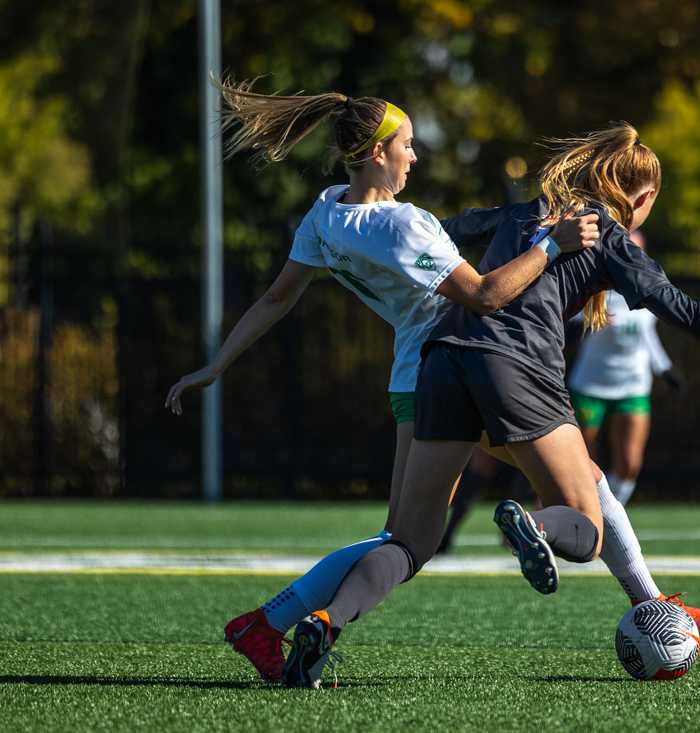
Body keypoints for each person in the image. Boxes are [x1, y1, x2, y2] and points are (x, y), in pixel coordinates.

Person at [284, 123, 700, 688]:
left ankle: (324, 624)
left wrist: (344, 240)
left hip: (444, 361)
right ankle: (535, 526)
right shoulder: (610, 237)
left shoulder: (524, 211)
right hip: (516, 365)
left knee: (410, 541)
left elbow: (437, 231)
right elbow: (684, 311)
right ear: (642, 199)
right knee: (586, 527)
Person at [165, 79, 599, 682]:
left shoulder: (325, 213)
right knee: (568, 494)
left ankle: (267, 624)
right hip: (455, 369)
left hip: (411, 377)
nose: (414, 156)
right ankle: (651, 601)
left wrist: (217, 364)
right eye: (407, 145)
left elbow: (275, 298)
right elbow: (484, 294)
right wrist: (553, 245)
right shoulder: (402, 224)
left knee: (406, 535)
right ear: (377, 153)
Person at [568, 229, 686, 505]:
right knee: (578, 463)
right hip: (591, 384)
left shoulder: (651, 287)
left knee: (630, 463)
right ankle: (544, 516)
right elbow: (561, 314)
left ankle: (609, 515)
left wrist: (665, 369)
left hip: (633, 384)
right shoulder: (595, 285)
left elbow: (647, 333)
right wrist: (587, 320)